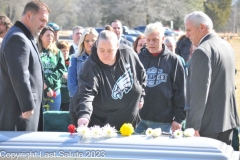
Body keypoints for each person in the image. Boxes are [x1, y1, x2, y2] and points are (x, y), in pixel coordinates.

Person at [184, 11, 239, 145]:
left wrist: (193, 126)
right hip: (227, 121)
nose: (187, 34)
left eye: (189, 30)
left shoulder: (202, 51)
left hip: (207, 127)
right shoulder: (226, 46)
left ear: (202, 27)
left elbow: (199, 93)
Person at [74, 30, 146, 130]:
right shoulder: (90, 66)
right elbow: (86, 93)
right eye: (102, 50)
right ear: (97, 45)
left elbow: (141, 75)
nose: (105, 54)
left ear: (117, 46)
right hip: (103, 125)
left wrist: (141, 96)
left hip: (130, 123)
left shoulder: (128, 53)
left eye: (110, 50)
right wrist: (84, 115)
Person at [0, 0, 50, 131]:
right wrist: (27, 105)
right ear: (28, 16)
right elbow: (19, 74)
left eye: (46, 22)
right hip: (20, 114)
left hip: (25, 112)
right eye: (41, 20)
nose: (44, 25)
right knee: (21, 151)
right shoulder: (17, 38)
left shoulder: (25, 36)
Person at [135, 22, 186, 134]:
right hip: (139, 119)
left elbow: (181, 92)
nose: (151, 43)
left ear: (163, 39)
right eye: (148, 40)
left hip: (163, 121)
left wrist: (178, 118)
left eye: (155, 39)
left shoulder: (173, 60)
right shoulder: (139, 59)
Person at [68, 27, 98, 126]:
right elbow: (72, 84)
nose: (90, 43)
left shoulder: (102, 59)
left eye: (93, 40)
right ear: (82, 42)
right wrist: (83, 101)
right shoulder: (75, 58)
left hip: (98, 104)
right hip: (78, 103)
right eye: (87, 41)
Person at [38, 26, 66, 111]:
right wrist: (46, 87)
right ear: (41, 36)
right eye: (47, 35)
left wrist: (48, 82)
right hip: (39, 90)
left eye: (52, 36)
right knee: (39, 119)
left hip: (55, 91)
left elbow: (61, 69)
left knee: (54, 118)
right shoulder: (35, 50)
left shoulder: (57, 52)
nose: (50, 38)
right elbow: (34, 70)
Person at [57, 41, 71, 111]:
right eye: (63, 51)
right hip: (57, 95)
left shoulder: (72, 62)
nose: (65, 53)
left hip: (68, 97)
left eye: (67, 51)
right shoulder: (55, 62)